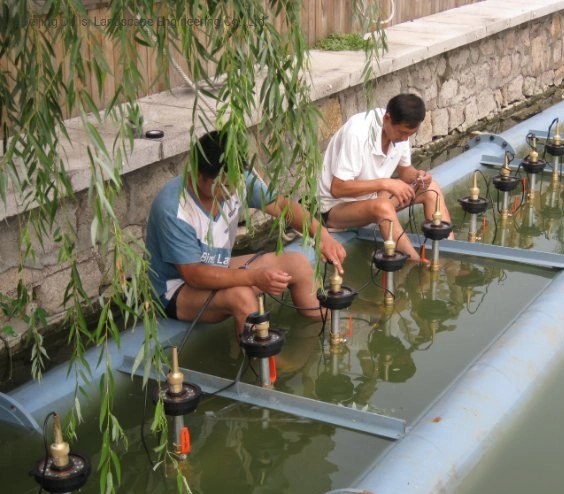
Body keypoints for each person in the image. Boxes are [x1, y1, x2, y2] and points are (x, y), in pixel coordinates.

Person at [146, 130, 347, 335]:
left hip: (218, 267)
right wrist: (254, 278)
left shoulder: (239, 180)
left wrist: (323, 236)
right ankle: (266, 360)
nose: (233, 190)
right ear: (199, 176)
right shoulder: (173, 209)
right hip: (176, 290)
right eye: (224, 186)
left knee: (297, 264)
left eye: (235, 182)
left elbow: (282, 207)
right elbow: (194, 275)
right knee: (241, 296)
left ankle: (327, 326)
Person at [317, 93, 453, 261]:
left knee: (431, 189)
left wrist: (418, 175)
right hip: (335, 210)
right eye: (403, 133)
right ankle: (416, 264)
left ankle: (449, 260)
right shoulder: (358, 133)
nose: (405, 139)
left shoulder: (400, 131)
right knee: (382, 207)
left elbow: (405, 171)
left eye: (410, 134)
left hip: (372, 199)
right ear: (387, 118)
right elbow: (338, 188)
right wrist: (386, 183)